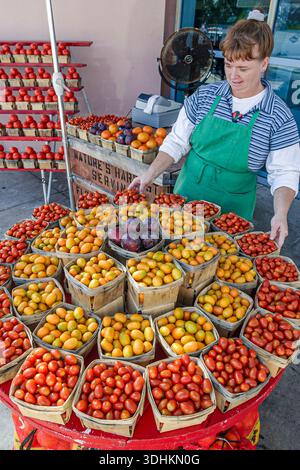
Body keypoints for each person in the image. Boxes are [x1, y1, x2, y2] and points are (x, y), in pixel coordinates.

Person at [129, 10, 300, 249]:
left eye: (243, 68)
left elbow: (285, 173)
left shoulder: (279, 117)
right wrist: (150, 174)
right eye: (228, 65)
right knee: (175, 257)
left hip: (233, 212)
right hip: (187, 197)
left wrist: (280, 213)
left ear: (264, 64)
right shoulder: (205, 96)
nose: (233, 75)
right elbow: (176, 142)